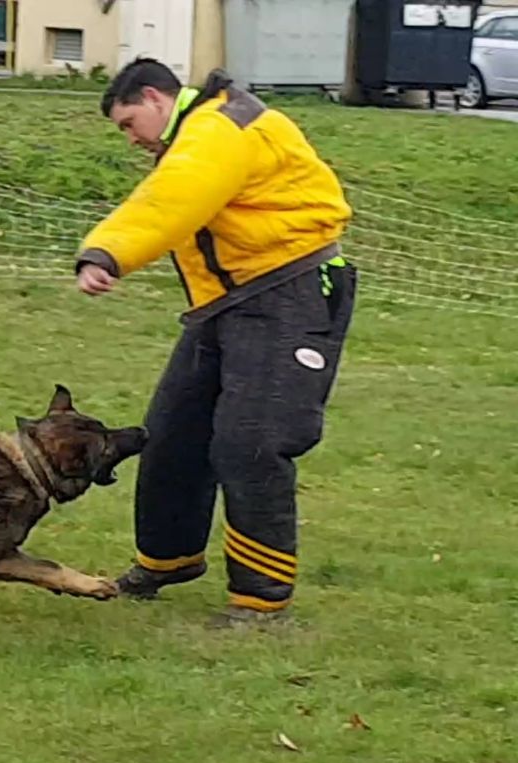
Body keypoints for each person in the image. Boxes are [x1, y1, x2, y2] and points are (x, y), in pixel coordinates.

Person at [75, 58, 357, 626]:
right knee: (172, 435)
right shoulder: (197, 133)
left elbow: (171, 202)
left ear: (156, 98)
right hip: (227, 305)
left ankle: (261, 601)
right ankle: (168, 560)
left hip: (292, 293)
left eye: (130, 124)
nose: (131, 140)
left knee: (252, 443)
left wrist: (107, 251)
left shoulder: (218, 128)